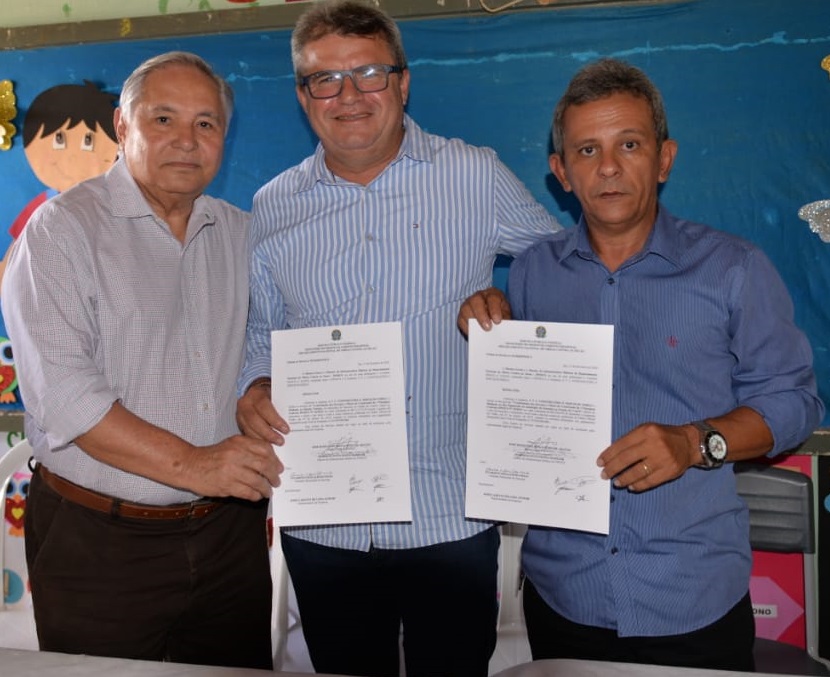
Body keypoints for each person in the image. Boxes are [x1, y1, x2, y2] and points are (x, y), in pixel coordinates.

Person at [458, 58, 824, 671]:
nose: (608, 167)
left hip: (692, 596)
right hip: (563, 595)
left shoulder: (733, 269)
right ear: (561, 173)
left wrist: (694, 442)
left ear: (664, 159)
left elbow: (794, 404)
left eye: (628, 144)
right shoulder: (533, 272)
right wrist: (491, 319)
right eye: (587, 150)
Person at [235, 2, 561, 675]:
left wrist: (513, 305)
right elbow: (261, 330)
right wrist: (255, 384)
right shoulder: (271, 206)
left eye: (370, 73)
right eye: (325, 79)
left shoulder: (474, 174)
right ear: (303, 95)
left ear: (404, 82)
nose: (349, 95)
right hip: (325, 521)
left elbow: (568, 272)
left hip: (450, 514)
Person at [1, 51, 282, 669]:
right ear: (122, 126)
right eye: (163, 119)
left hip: (228, 538)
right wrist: (196, 464)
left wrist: (260, 382)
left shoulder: (243, 234)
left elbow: (274, 337)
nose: (187, 140)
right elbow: (65, 398)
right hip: (99, 542)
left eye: (206, 123)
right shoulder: (59, 232)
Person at [0, 81, 119, 290]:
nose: (73, 157)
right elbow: (18, 244)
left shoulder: (113, 202)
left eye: (88, 141)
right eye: (59, 139)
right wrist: (5, 277)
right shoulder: (43, 204)